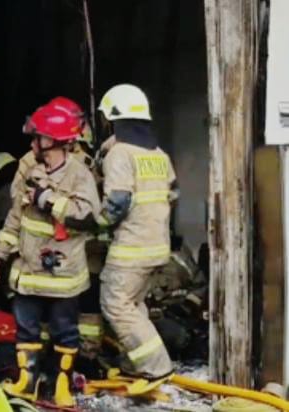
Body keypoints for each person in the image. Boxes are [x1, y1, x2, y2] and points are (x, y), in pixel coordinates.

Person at [0, 105, 101, 407]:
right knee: (26, 330)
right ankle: (27, 383)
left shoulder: (79, 175)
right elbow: (15, 218)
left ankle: (62, 386)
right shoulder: (31, 172)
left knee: (65, 332)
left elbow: (87, 216)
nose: (32, 143)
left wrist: (47, 199)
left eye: (36, 138)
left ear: (51, 140)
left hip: (62, 276)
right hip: (28, 273)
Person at [96, 84, 177, 380]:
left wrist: (93, 223)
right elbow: (172, 193)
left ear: (113, 119)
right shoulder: (158, 154)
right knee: (133, 305)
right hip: (157, 246)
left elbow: (117, 203)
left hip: (131, 248)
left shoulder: (120, 154)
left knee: (116, 304)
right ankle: (136, 363)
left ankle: (157, 367)